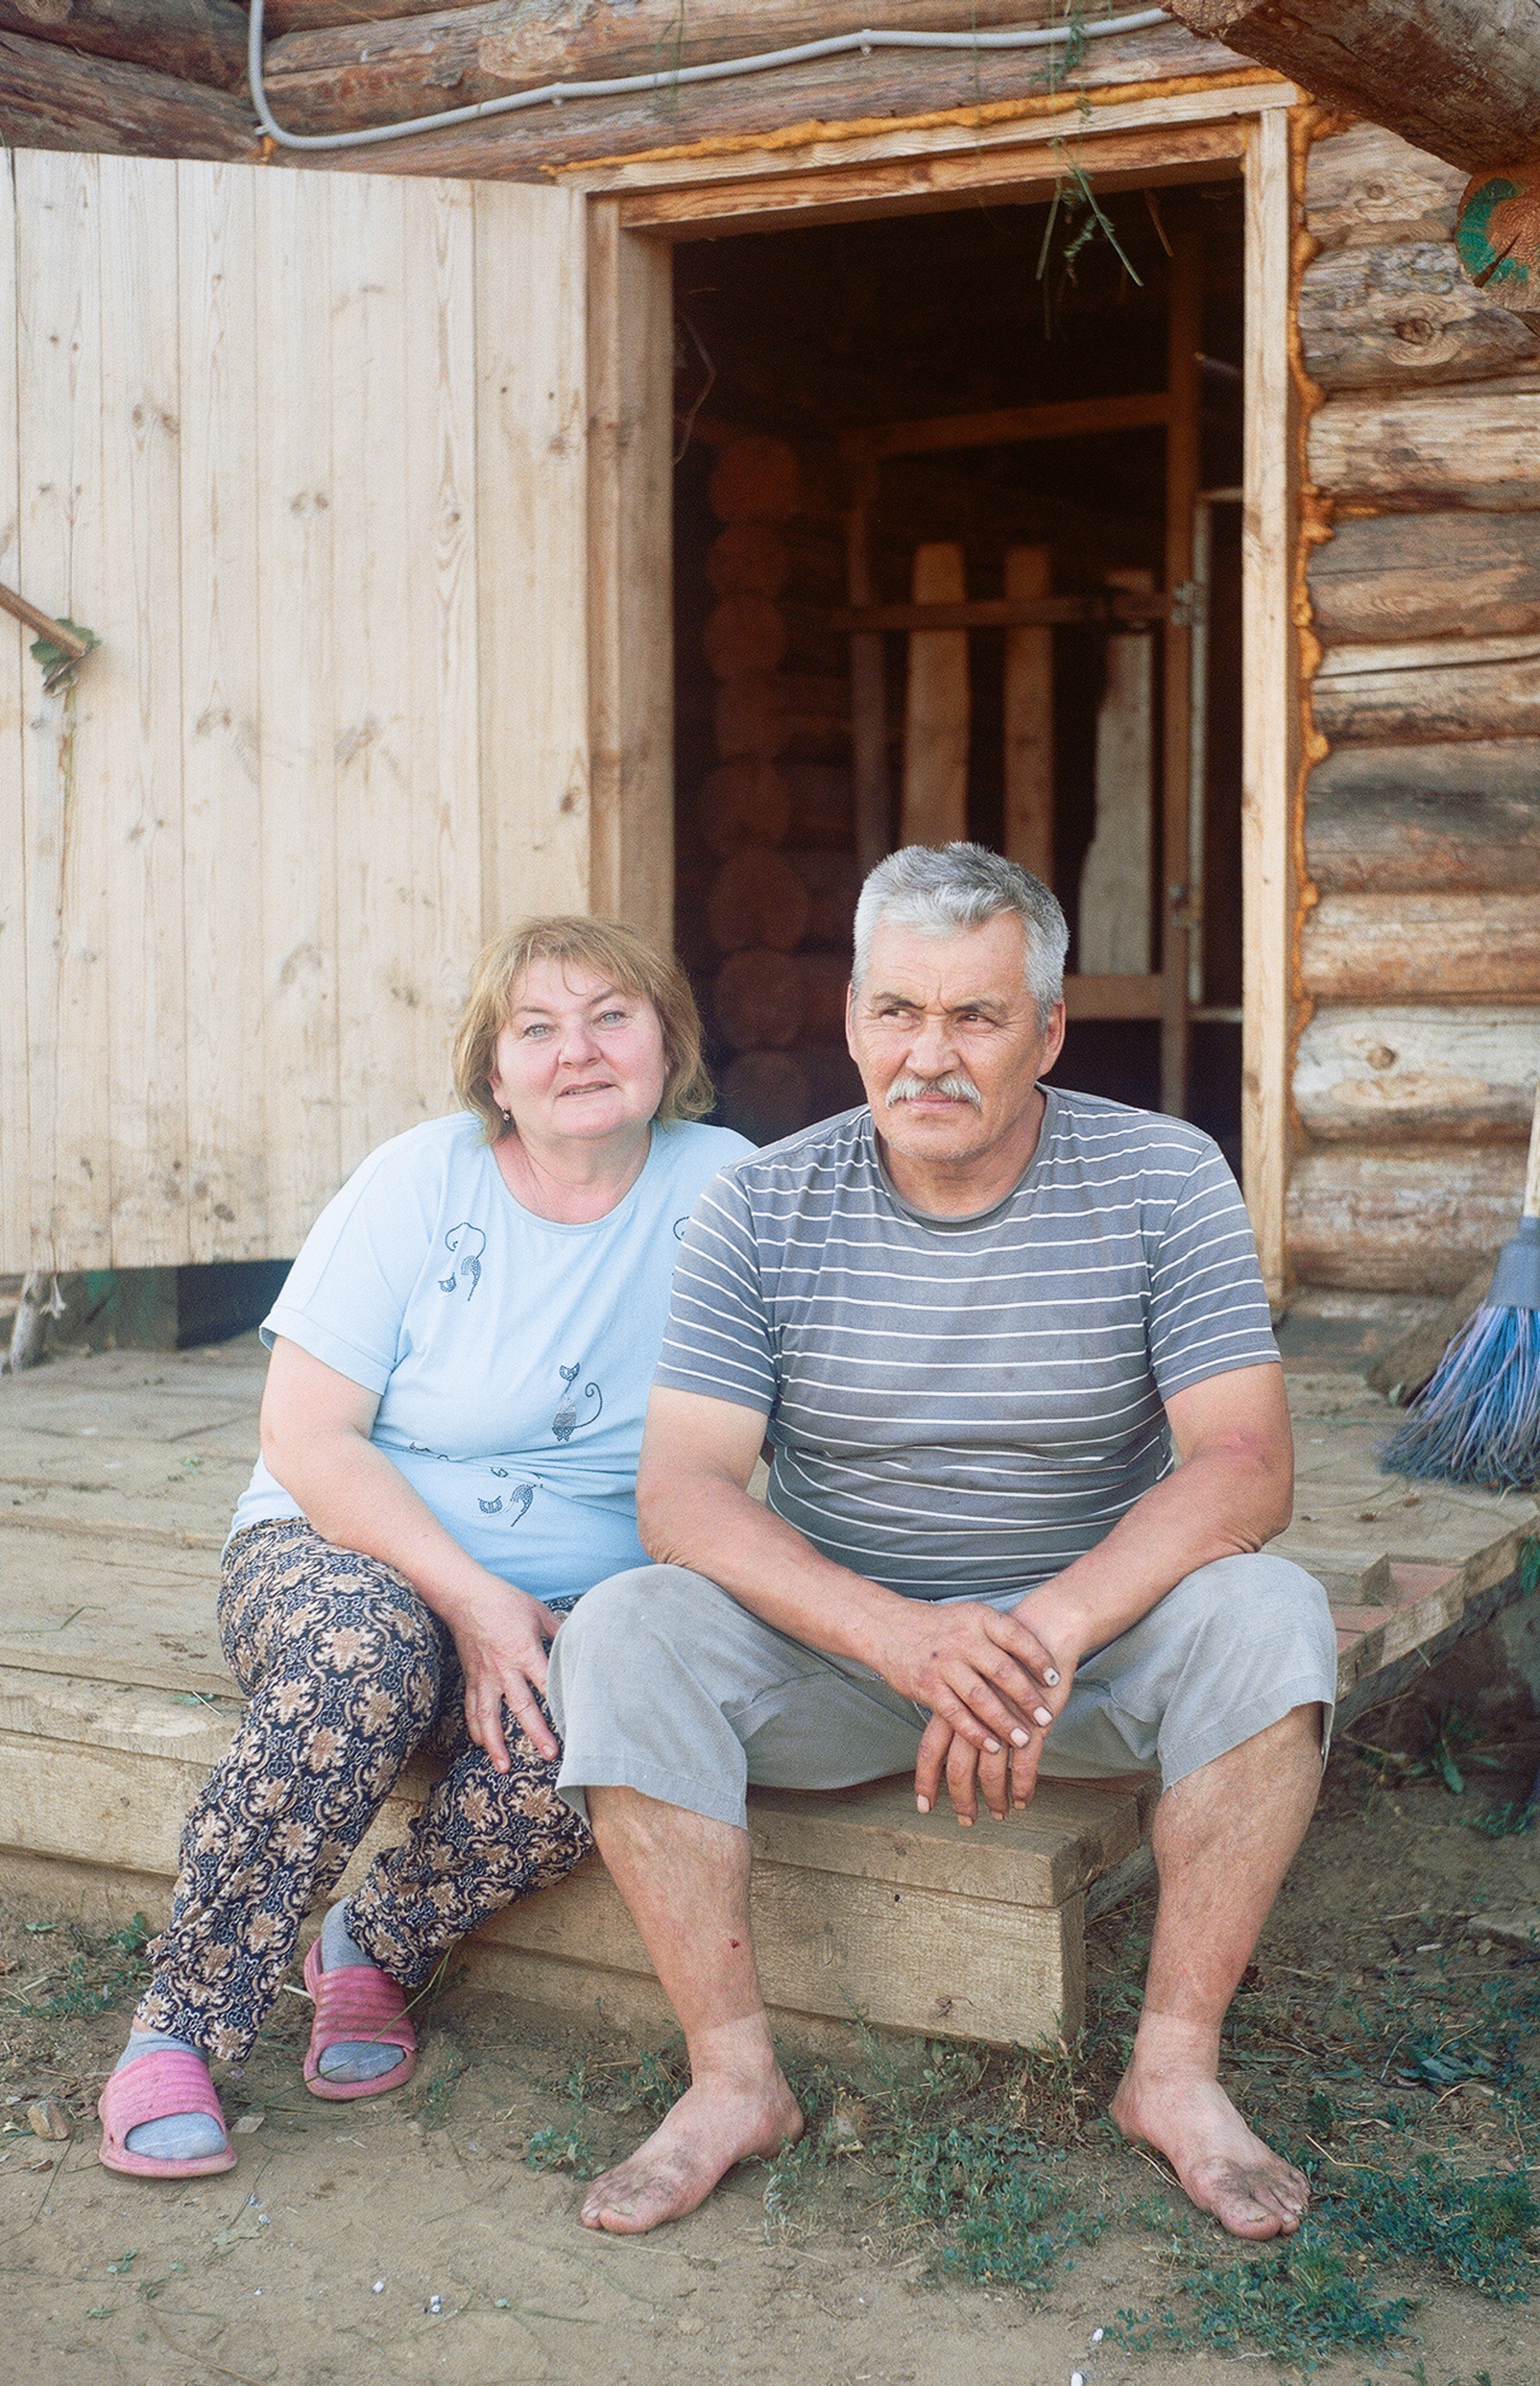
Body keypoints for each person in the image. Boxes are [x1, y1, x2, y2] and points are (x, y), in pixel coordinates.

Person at [545, 844, 1337, 2239]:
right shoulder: (760, 1204)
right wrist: (901, 1638)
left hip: (1089, 1659)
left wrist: (1049, 1629)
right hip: (845, 1660)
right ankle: (733, 2080)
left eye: (976, 1016)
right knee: (620, 1628)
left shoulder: (1164, 1175)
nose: (930, 1055)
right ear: (852, 1018)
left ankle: (1174, 2072)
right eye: (899, 1011)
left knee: (1274, 1614)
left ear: (1050, 1030)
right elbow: (684, 1492)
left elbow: (1245, 1463)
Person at [98, 916, 751, 2179]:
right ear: (493, 1070)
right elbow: (306, 1433)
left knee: (612, 1711)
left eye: (612, 1016)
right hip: (345, 1550)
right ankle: (178, 2022)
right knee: (368, 1657)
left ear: (668, 1045)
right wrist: (470, 1596)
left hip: (576, 1593)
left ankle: (373, 1944)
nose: (578, 1052)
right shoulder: (418, 1181)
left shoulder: (728, 1188)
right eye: (537, 1028)